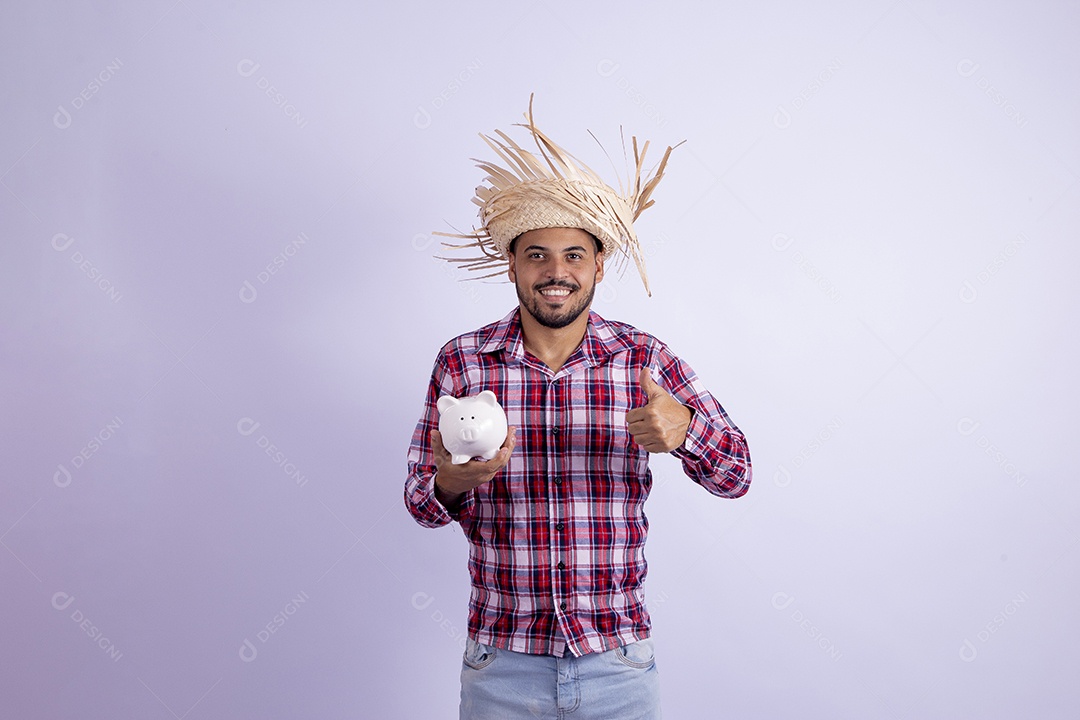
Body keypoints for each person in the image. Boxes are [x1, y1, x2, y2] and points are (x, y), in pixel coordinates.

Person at [405, 98, 751, 720]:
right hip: (501, 662)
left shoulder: (642, 358)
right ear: (511, 263)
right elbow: (419, 501)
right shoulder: (463, 361)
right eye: (536, 254)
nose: (555, 271)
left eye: (572, 255)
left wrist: (687, 432)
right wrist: (451, 483)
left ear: (597, 264)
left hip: (616, 660)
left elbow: (738, 475)